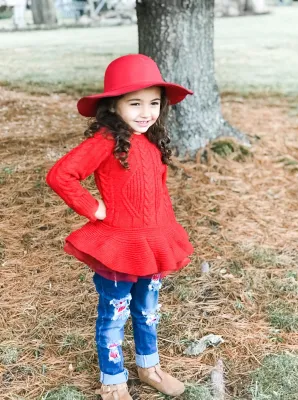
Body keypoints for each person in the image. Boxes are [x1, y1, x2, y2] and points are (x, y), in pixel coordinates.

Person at [46, 54, 194, 400]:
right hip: (119, 247)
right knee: (115, 314)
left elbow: (158, 192)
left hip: (153, 244)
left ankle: (149, 366)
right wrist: (92, 207)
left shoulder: (152, 141)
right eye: (135, 103)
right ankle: (113, 379)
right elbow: (61, 175)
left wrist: (168, 233)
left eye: (154, 102)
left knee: (148, 310)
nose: (147, 112)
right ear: (114, 106)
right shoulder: (105, 141)